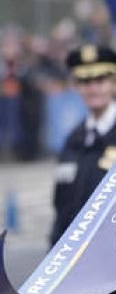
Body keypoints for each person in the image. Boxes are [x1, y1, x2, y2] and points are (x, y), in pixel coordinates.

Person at [50, 44, 116, 247]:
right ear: (77, 87)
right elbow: (62, 208)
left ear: (114, 83)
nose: (93, 88)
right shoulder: (74, 140)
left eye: (100, 80)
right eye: (85, 81)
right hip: (79, 257)